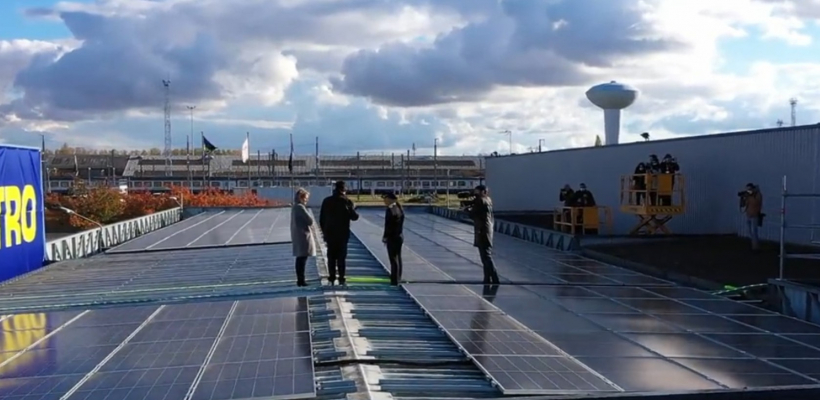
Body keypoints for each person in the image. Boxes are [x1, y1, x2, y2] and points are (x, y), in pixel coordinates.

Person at [319, 180, 359, 285]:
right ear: (344, 190)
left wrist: (324, 232)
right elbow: (354, 217)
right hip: (342, 234)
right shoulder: (347, 201)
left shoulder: (326, 201)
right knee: (341, 257)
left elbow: (322, 219)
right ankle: (341, 277)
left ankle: (331, 277)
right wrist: (353, 208)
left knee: (331, 257)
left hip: (330, 234)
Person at [466, 185, 500, 284]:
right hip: (486, 229)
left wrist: (468, 210)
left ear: (483, 192)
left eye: (477, 192)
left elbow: (473, 214)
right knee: (485, 255)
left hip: (482, 230)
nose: (476, 194)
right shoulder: (487, 200)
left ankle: (494, 277)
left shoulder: (480, 201)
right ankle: (487, 278)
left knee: (486, 255)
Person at [290, 188, 315, 287]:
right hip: (303, 235)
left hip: (297, 235)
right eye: (306, 198)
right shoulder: (300, 207)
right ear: (301, 197)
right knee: (302, 259)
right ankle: (301, 280)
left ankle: (300, 279)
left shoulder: (294, 207)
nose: (306, 200)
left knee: (300, 258)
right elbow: (310, 221)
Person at [382, 193, 405, 285]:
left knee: (393, 259)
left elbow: (389, 225)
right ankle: (398, 277)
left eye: (385, 199)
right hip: (399, 236)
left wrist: (385, 236)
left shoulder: (391, 209)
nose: (384, 201)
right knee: (398, 257)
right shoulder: (399, 208)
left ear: (391, 199)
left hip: (393, 237)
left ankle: (394, 279)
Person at [739, 183, 763, 251]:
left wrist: (750, 196)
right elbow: (743, 205)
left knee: (754, 232)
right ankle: (755, 245)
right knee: (750, 232)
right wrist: (742, 198)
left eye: (749, 189)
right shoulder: (749, 196)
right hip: (748, 215)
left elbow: (756, 203)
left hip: (755, 215)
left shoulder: (757, 195)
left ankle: (755, 247)